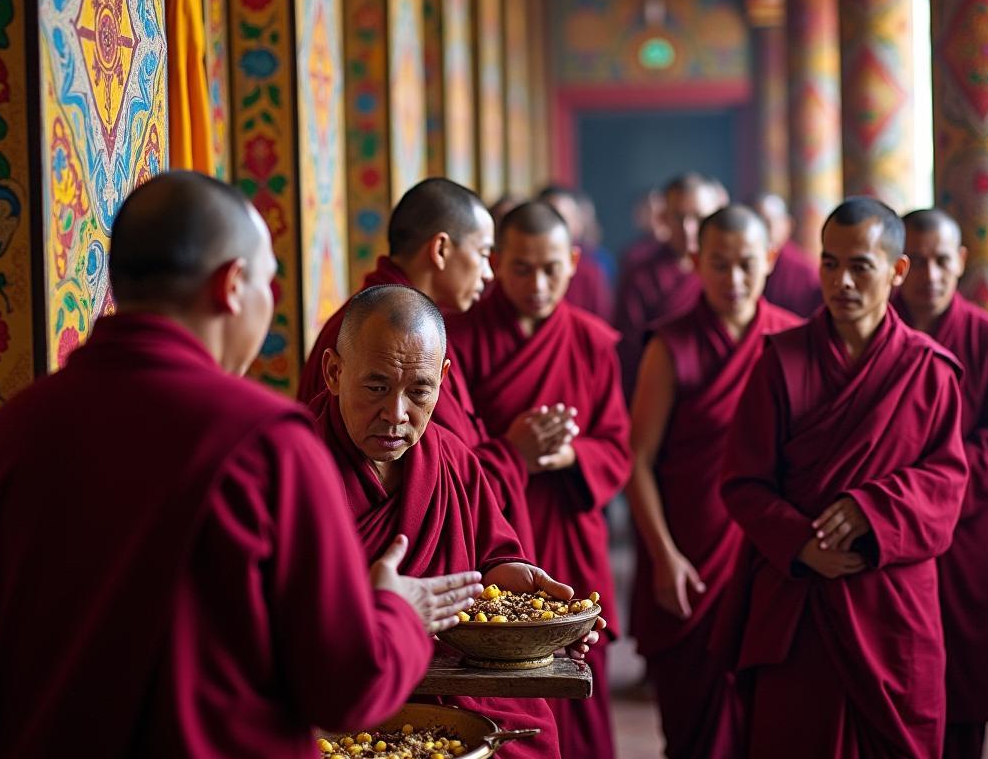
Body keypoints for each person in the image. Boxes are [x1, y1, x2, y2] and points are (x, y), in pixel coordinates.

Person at [0, 172, 482, 759]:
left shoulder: (14, 432)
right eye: (269, 285)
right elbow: (347, 684)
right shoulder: (265, 441)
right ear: (231, 285)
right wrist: (397, 611)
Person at [722, 197, 969, 759]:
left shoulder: (929, 371)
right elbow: (742, 482)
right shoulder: (780, 361)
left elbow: (947, 485)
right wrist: (802, 546)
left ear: (897, 270)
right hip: (801, 608)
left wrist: (873, 507)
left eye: (861, 265)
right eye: (830, 264)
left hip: (891, 618)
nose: (842, 282)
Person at [311, 284, 594, 759]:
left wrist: (516, 581)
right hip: (343, 708)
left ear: (443, 375)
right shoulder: (292, 465)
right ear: (334, 371)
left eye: (419, 390)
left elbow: (491, 556)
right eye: (375, 386)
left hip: (464, 698)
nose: (396, 414)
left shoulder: (450, 457)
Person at [448, 202, 632, 759]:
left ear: (574, 264)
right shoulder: (460, 337)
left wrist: (571, 454)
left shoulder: (593, 341)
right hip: (501, 536)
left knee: (580, 671)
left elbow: (618, 444)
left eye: (552, 269)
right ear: (496, 264)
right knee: (513, 686)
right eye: (521, 268)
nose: (537, 284)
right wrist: (515, 448)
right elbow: (454, 448)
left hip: (570, 531)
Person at [626, 206, 802, 759]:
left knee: (765, 752)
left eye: (746, 263)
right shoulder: (671, 345)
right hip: (690, 572)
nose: (733, 277)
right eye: (719, 263)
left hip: (765, 572)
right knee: (697, 755)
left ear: (771, 262)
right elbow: (636, 462)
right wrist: (665, 556)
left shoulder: (792, 340)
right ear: (695, 263)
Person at [297, 178, 575, 555]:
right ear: (441, 249)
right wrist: (514, 453)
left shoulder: (426, 335)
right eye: (482, 253)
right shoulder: (372, 339)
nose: (489, 274)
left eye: (419, 391)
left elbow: (443, 472)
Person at [894, 208, 988, 759]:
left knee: (962, 697)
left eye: (942, 260)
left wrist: (932, 484)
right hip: (896, 541)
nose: (930, 274)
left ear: (961, 261)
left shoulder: (986, 337)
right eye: (918, 261)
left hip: (968, 541)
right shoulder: (879, 333)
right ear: (899, 268)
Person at [615, 172, 727, 397]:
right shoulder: (641, 275)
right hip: (658, 390)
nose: (688, 228)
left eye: (698, 217)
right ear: (663, 218)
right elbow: (629, 350)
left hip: (721, 388)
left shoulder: (728, 271)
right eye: (679, 217)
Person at [538, 185, 614, 322]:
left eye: (564, 219)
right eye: (549, 218)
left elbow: (601, 323)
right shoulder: (520, 269)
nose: (555, 228)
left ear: (577, 225)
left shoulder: (590, 273)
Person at [751, 192, 822, 317]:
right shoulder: (739, 265)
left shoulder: (806, 273)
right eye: (756, 224)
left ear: (787, 225)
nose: (760, 232)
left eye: (767, 224)